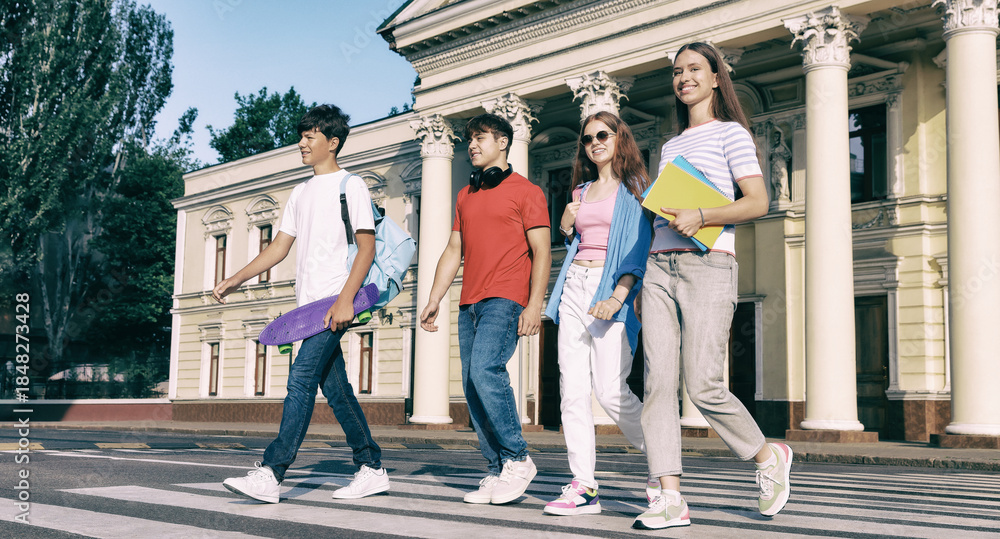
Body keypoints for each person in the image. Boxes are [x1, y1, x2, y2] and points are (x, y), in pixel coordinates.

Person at [633, 42, 792, 530]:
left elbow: (758, 201)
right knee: (657, 384)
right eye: (678, 72)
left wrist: (702, 214)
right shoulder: (671, 146)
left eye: (694, 69)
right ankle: (670, 497)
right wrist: (639, 277)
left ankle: (767, 456)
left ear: (716, 77)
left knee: (703, 384)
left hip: (708, 264)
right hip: (659, 267)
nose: (684, 78)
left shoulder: (733, 135)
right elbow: (660, 212)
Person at [214, 104, 389, 504]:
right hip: (306, 308)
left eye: (311, 136)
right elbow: (278, 247)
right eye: (302, 135)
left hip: (334, 302)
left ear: (333, 142)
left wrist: (346, 301)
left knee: (300, 379)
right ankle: (372, 467)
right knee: (338, 389)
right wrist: (234, 279)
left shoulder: (352, 185)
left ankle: (272, 472)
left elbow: (367, 247)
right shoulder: (300, 192)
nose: (302, 143)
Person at [419, 113, 551, 505]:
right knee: (472, 385)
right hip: (470, 301)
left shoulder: (527, 192)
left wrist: (534, 304)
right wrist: (433, 298)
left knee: (485, 370)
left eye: (480, 138)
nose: (472, 146)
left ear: (503, 142)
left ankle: (518, 457)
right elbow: (453, 251)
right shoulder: (465, 195)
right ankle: (496, 469)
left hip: (506, 297)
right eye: (470, 140)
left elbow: (542, 251)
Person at [542, 111, 652, 516]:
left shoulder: (637, 188)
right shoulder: (582, 190)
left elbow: (639, 247)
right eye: (587, 139)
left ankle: (662, 464)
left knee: (609, 390)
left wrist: (619, 296)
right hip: (574, 287)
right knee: (572, 391)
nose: (594, 143)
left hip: (611, 291)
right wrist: (567, 224)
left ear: (619, 137)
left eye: (602, 135)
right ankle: (584, 486)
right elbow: (576, 241)